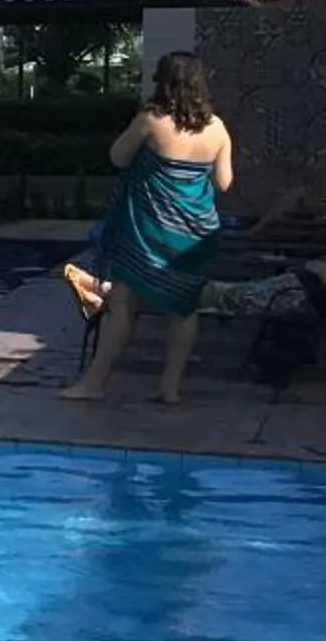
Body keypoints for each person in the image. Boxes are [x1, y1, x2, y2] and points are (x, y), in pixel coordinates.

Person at [59, 52, 233, 406]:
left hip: (149, 231)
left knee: (122, 303)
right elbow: (224, 182)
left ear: (163, 82)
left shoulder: (151, 120)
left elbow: (118, 157)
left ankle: (94, 383)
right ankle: (170, 388)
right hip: (195, 233)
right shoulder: (217, 127)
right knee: (183, 308)